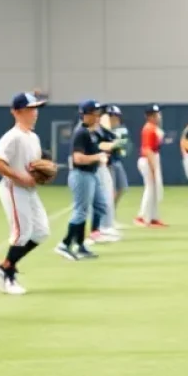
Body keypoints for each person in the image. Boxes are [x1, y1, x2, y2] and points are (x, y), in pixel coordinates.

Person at [0, 92, 51, 293]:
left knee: (41, 232)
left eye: (36, 109)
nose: (35, 113)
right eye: (30, 109)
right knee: (21, 233)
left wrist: (41, 170)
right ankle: (8, 276)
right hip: (14, 189)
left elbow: (34, 164)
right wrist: (19, 176)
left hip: (29, 190)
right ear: (17, 112)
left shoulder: (33, 137)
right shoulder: (12, 136)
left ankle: (3, 265)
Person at [57, 100, 108, 259]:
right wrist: (98, 157)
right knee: (80, 211)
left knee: (100, 205)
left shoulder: (91, 131)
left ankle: (80, 244)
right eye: (95, 113)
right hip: (81, 175)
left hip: (90, 174)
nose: (98, 116)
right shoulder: (81, 132)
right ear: (86, 115)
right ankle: (65, 244)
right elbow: (78, 158)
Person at [88, 107, 120, 244]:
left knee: (106, 196)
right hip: (93, 167)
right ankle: (96, 231)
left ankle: (104, 227)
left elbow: (107, 136)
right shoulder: (87, 130)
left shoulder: (98, 128)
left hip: (102, 165)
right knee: (96, 201)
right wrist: (113, 144)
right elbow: (100, 145)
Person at [135, 105, 166, 227]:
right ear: (150, 116)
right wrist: (153, 167)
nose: (159, 116)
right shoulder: (148, 129)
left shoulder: (154, 128)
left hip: (153, 158)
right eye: (156, 114)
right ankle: (142, 216)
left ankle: (153, 217)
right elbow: (147, 149)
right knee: (150, 188)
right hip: (148, 159)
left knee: (154, 190)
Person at [105, 105, 129, 223]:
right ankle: (107, 220)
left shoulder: (119, 129)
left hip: (117, 161)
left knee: (122, 188)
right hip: (109, 163)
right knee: (111, 191)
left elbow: (122, 144)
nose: (116, 119)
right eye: (113, 116)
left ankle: (111, 216)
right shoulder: (104, 130)